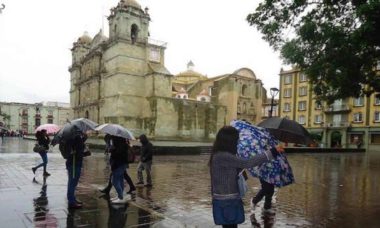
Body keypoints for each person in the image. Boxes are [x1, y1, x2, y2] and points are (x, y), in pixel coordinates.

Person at [210, 126, 279, 228]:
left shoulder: (218, 155)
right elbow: (248, 163)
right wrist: (272, 152)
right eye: (236, 139)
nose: (237, 142)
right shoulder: (224, 156)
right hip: (228, 201)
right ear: (229, 140)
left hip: (223, 199)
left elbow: (226, 174)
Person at [66, 130, 87, 209]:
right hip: (74, 163)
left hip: (74, 163)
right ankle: (72, 202)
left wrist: (84, 138)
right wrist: (84, 153)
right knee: (73, 182)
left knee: (72, 182)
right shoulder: (75, 137)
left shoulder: (74, 137)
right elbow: (77, 151)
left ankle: (72, 199)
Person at [109, 136, 130, 204]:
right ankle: (120, 196)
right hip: (122, 164)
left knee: (115, 181)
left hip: (118, 165)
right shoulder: (124, 145)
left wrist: (112, 150)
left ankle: (121, 197)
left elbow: (116, 155)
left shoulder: (119, 146)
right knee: (120, 179)